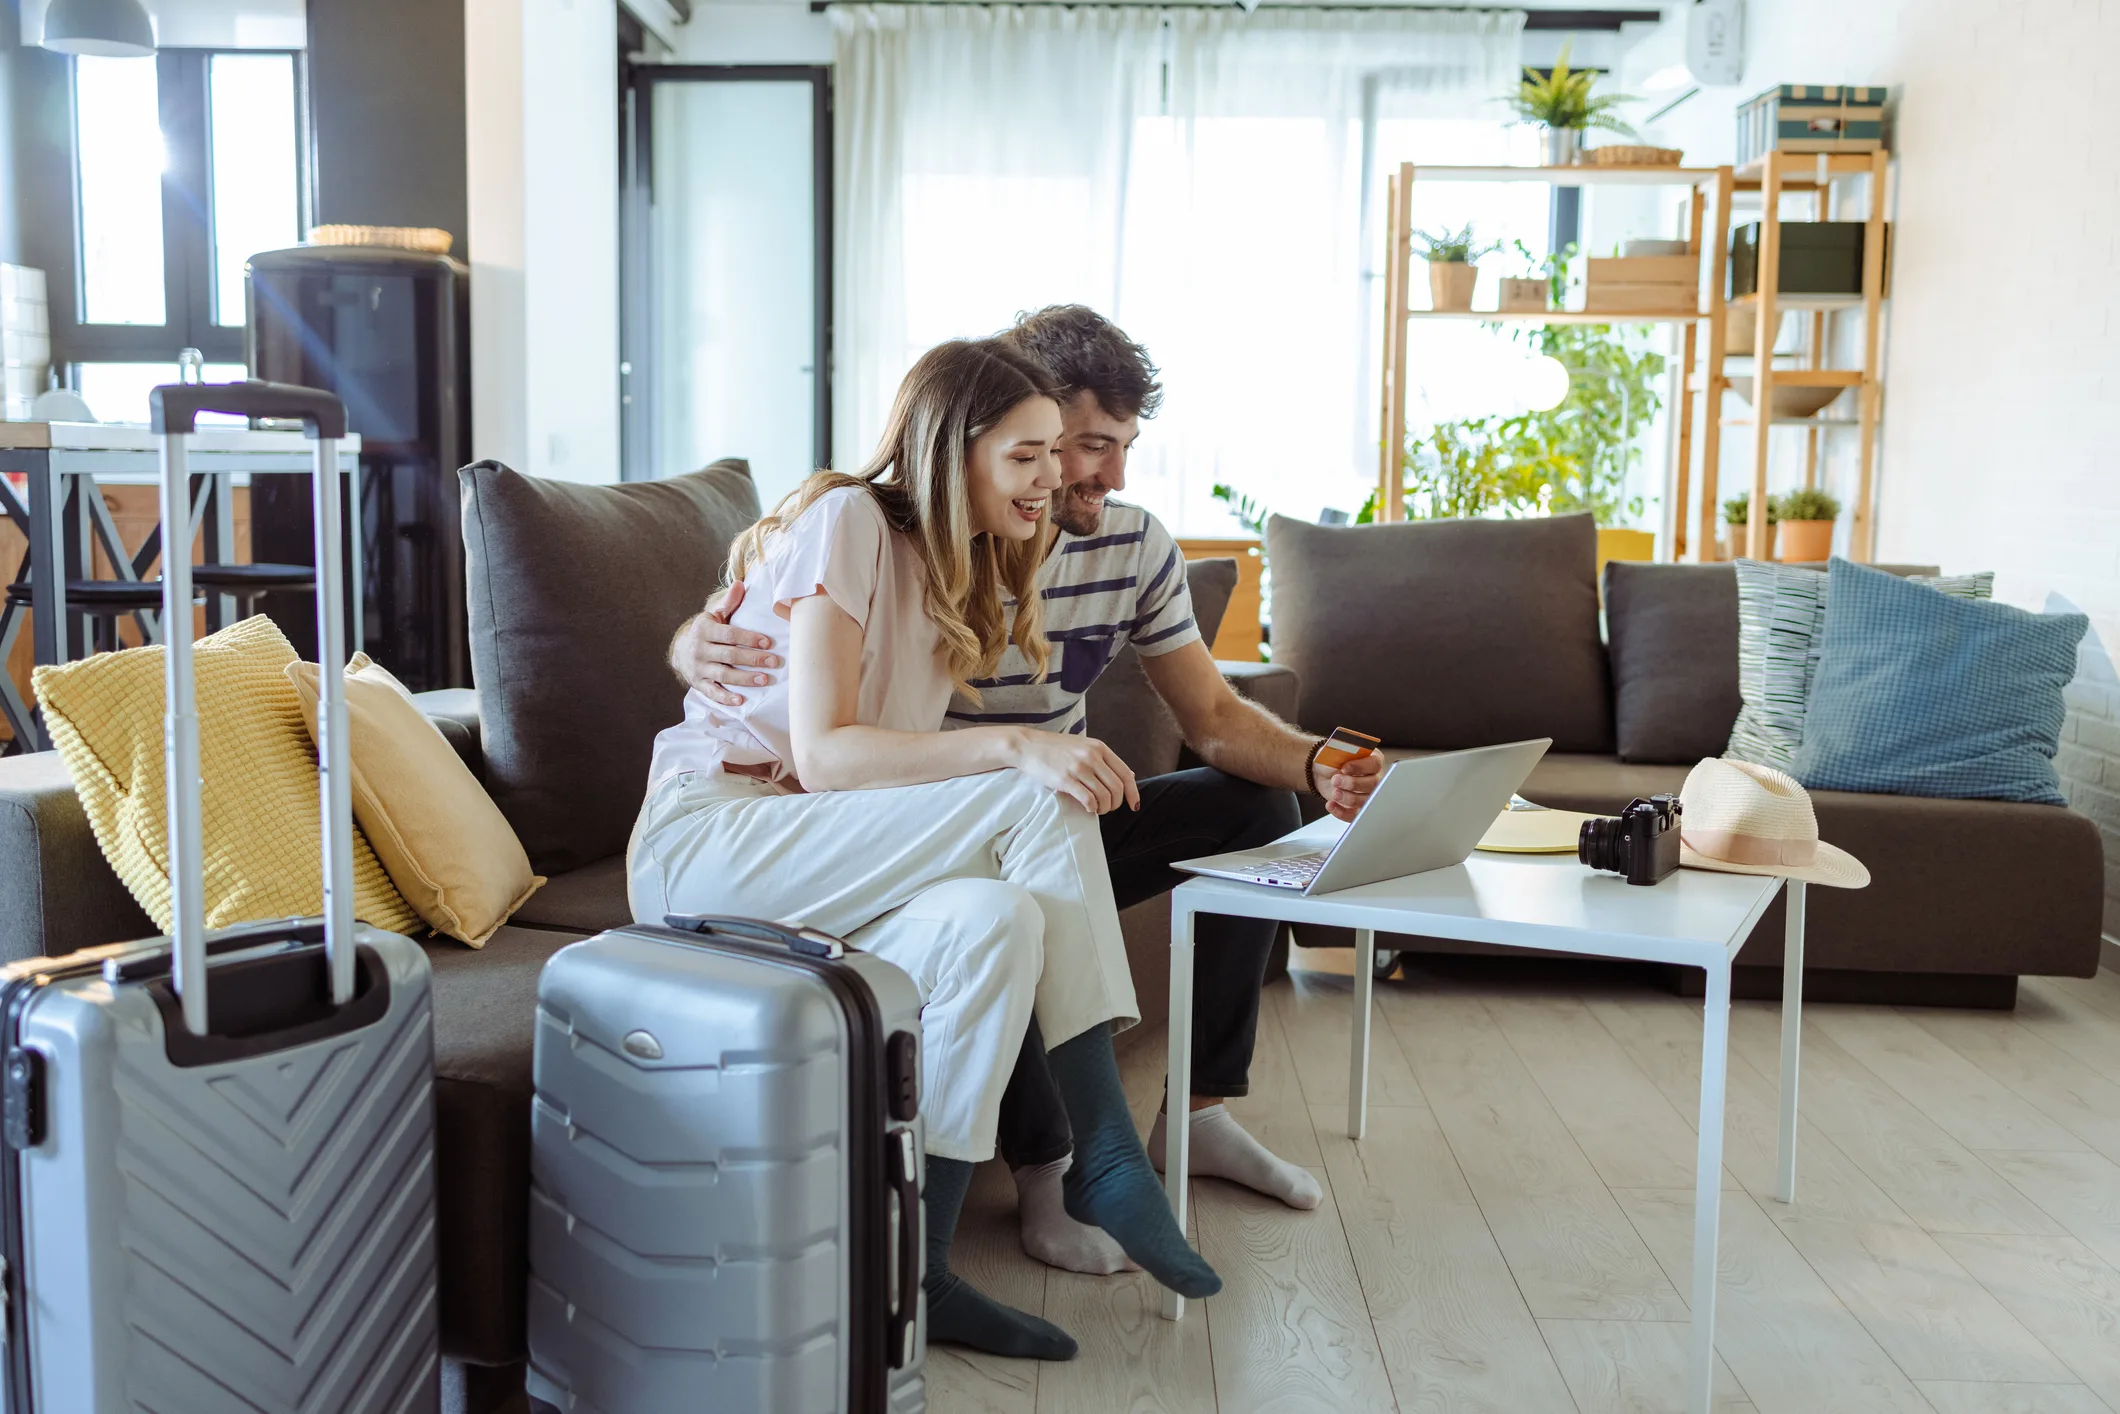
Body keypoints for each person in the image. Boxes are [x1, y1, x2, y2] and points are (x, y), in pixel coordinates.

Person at [670, 306, 1384, 1276]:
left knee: (1231, 816)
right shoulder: (900, 529)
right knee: (1024, 824)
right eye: (1067, 448)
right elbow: (789, 664)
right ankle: (1074, 1162)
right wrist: (690, 642)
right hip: (887, 821)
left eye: (1102, 449)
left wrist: (1316, 766)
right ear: (979, 446)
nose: (1087, 475)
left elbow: (1214, 715)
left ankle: (1175, 1126)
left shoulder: (1075, 546)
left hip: (993, 821)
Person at [630, 336, 1218, 1365]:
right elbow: (823, 753)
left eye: (1055, 454)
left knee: (1000, 922)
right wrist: (1013, 746)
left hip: (811, 850)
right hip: (715, 836)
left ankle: (921, 1269)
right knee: (1033, 786)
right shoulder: (849, 520)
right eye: (1026, 456)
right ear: (954, 452)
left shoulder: (960, 563)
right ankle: (1106, 1156)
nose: (1053, 478)